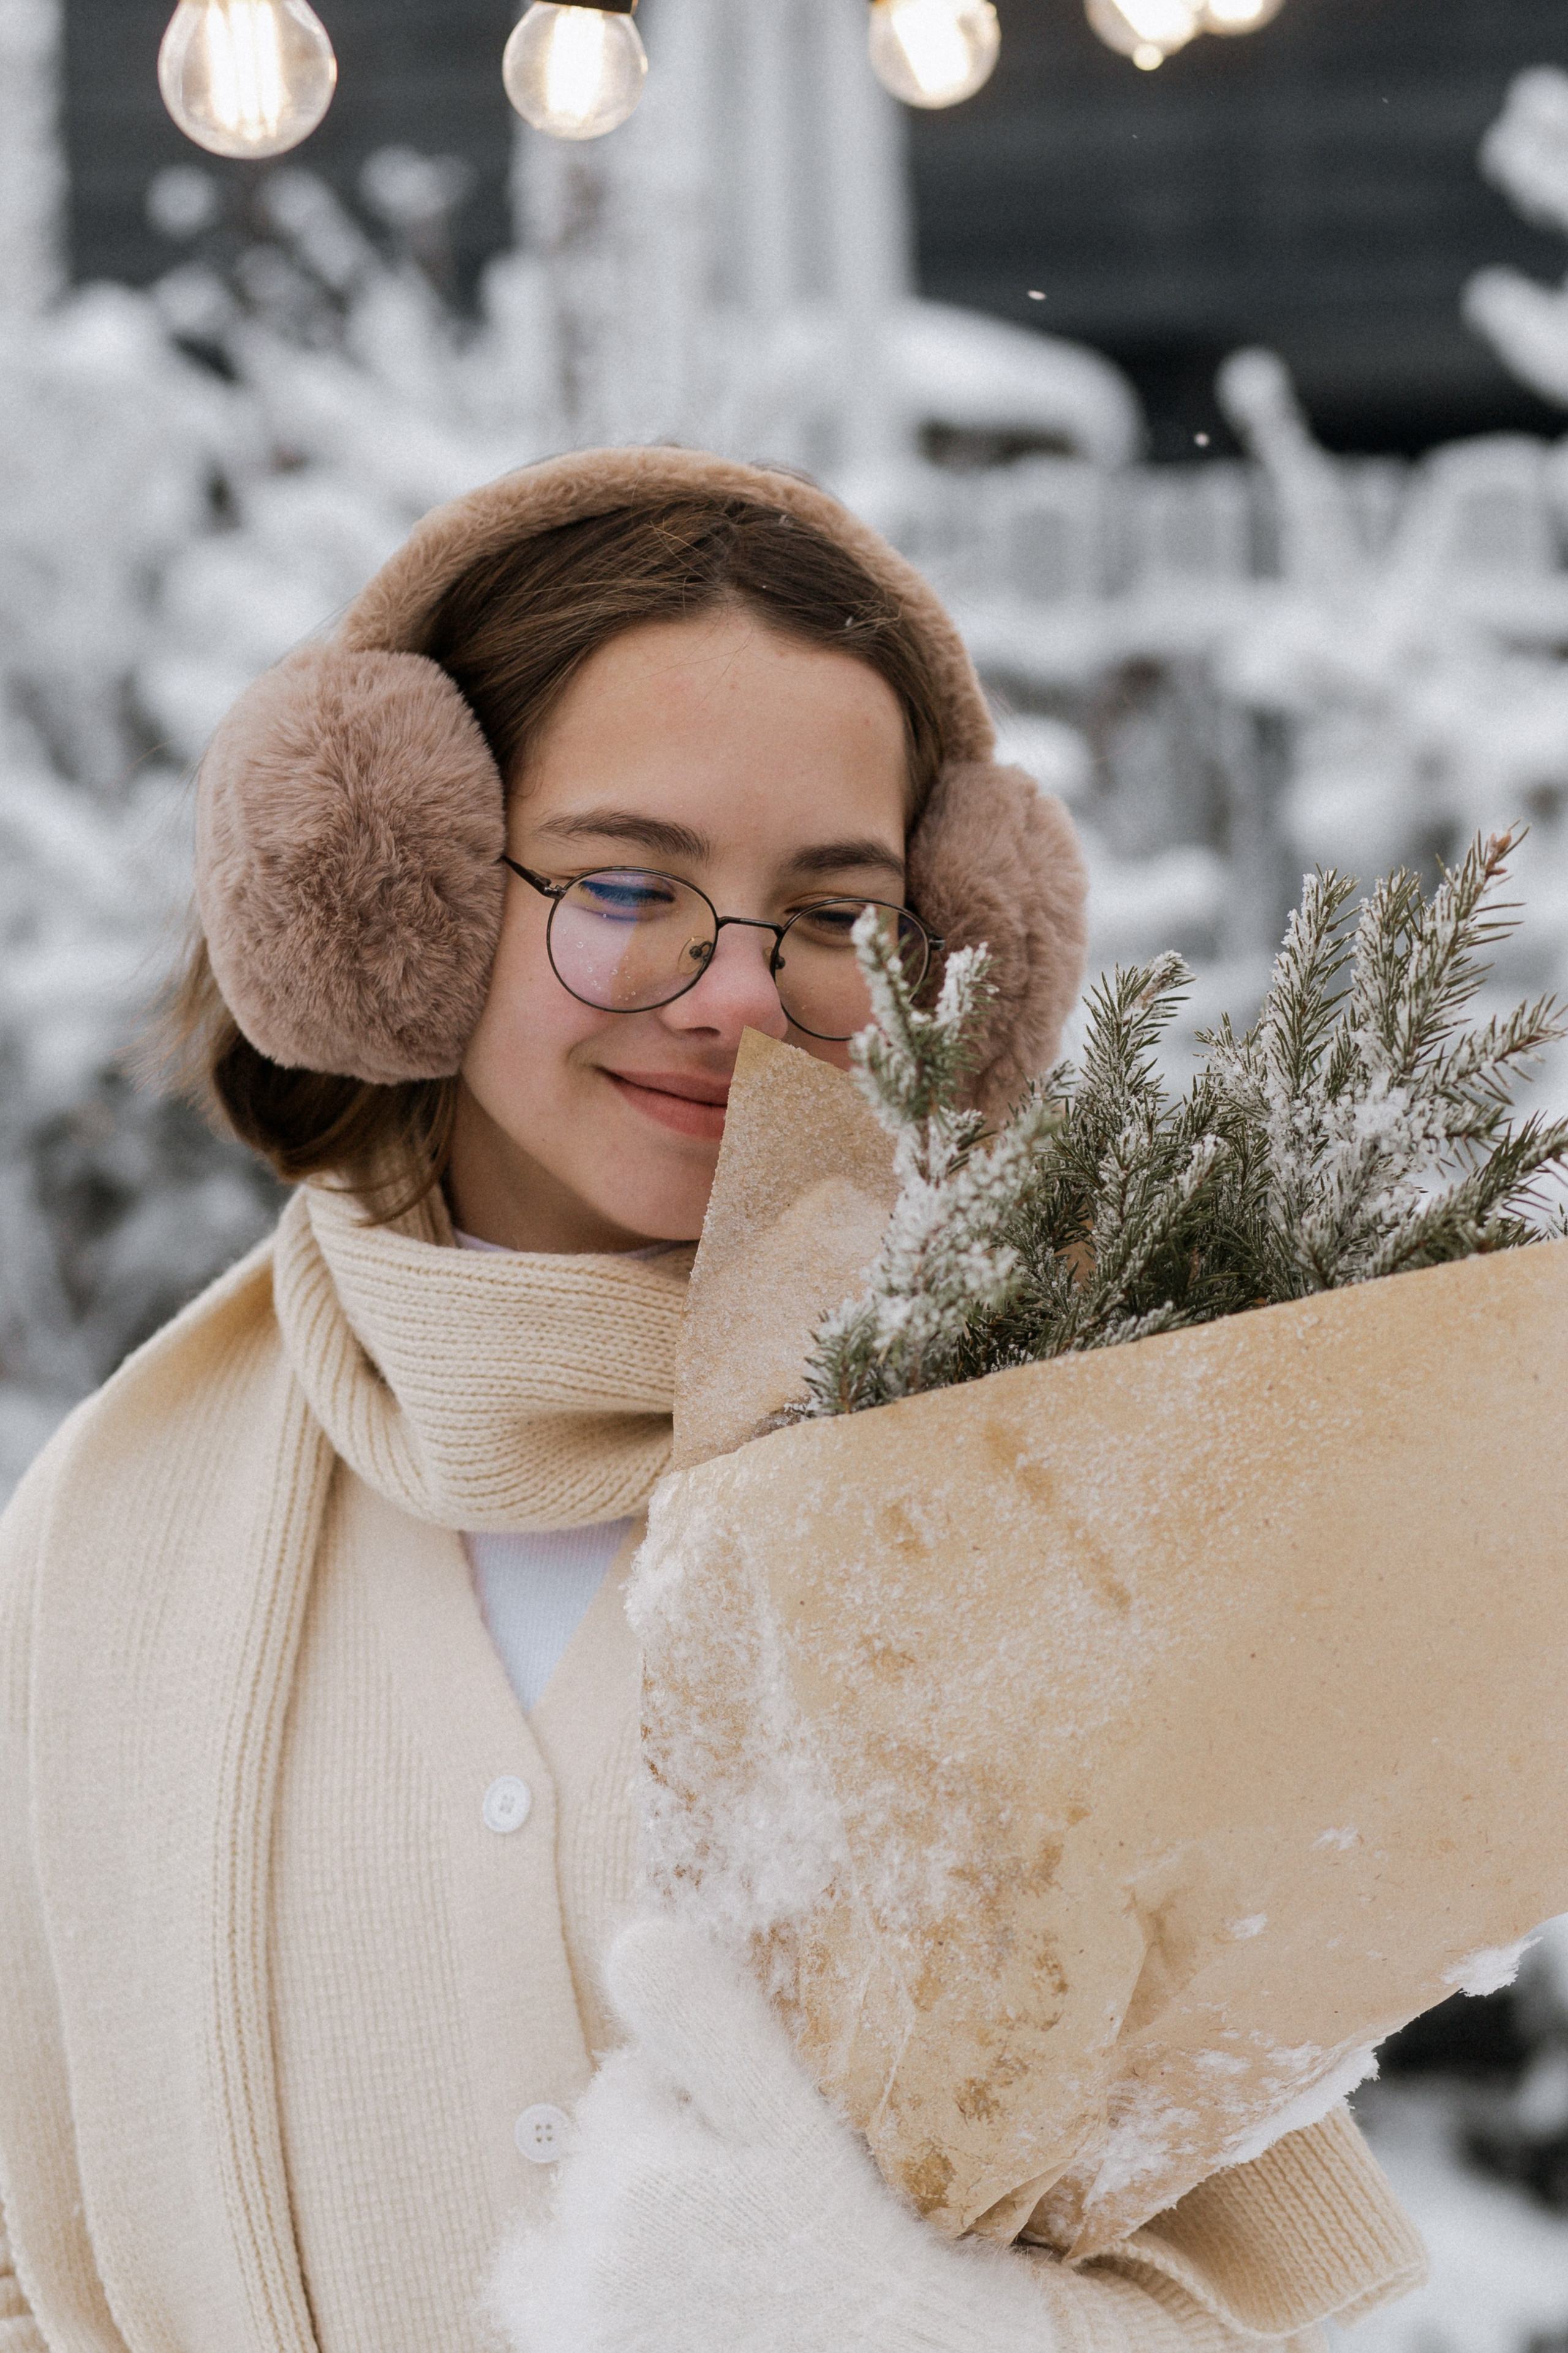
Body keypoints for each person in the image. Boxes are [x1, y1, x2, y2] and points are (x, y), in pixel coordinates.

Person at [0, 449, 1425, 2353]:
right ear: (400, 895)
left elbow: (1223, 2283)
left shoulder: (1041, 1495)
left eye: (833, 914)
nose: (740, 997)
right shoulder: (106, 1535)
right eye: (624, 884)